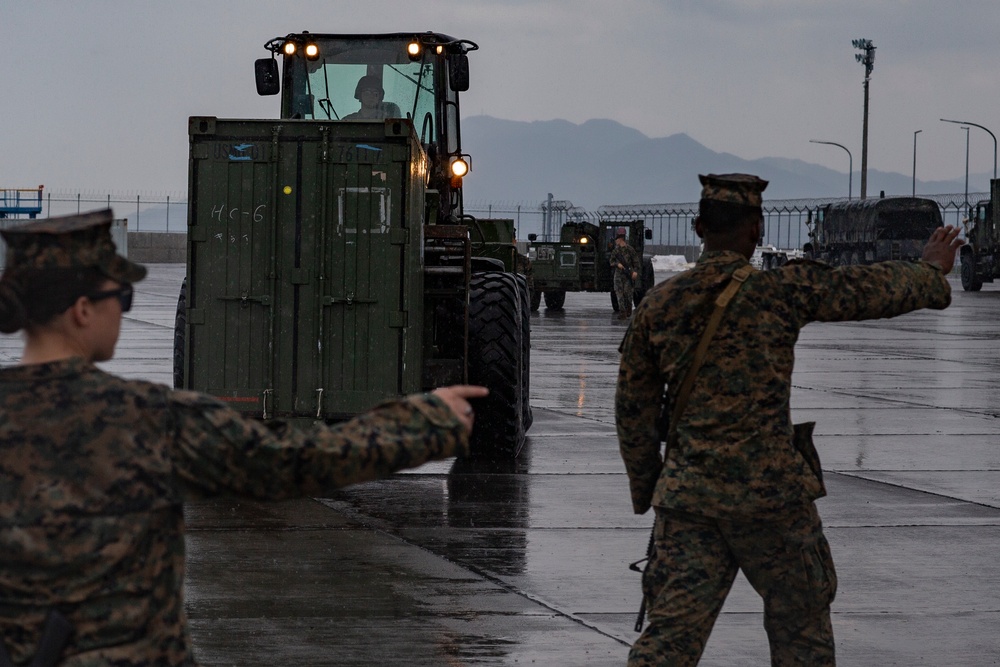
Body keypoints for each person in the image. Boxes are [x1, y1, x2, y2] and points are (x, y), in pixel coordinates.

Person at [0, 209, 486, 665]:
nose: (122, 313)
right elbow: (293, 461)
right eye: (120, 297)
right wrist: (426, 420)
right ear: (82, 310)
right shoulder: (148, 417)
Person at [616, 173, 963, 666]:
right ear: (757, 229)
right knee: (802, 633)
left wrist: (654, 487)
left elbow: (633, 412)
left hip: (691, 500)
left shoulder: (657, 306)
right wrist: (930, 273)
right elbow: (864, 290)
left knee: (669, 641)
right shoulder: (781, 291)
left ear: (698, 227)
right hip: (773, 501)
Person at [609, 232, 640, 319]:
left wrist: (635, 272)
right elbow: (611, 261)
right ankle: (622, 312)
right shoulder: (616, 251)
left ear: (620, 239)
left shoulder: (630, 250)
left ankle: (628, 308)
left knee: (627, 293)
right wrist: (617, 264)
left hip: (628, 275)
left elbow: (636, 262)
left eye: (617, 240)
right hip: (618, 275)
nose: (616, 242)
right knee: (619, 293)